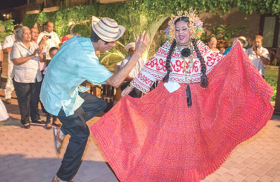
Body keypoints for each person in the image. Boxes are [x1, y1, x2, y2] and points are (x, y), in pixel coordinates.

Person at [90, 10, 273, 182]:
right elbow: (151, 70)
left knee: (191, 144)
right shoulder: (166, 50)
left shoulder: (202, 50)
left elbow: (222, 66)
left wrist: (235, 52)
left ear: (193, 30)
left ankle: (186, 175)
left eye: (184, 29)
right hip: (169, 102)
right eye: (177, 29)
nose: (180, 32)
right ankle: (165, 172)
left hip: (195, 105)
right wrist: (130, 88)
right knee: (167, 141)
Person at [39, 16, 149, 182]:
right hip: (58, 99)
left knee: (99, 103)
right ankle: (61, 178)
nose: (114, 45)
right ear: (102, 42)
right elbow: (115, 81)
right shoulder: (86, 59)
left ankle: (63, 130)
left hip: (61, 89)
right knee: (81, 136)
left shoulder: (76, 40)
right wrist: (137, 54)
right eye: (112, 42)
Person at [10, 26, 46, 129]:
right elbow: (16, 61)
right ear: (21, 35)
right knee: (24, 100)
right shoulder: (16, 46)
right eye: (26, 33)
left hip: (35, 77)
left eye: (29, 33)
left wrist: (39, 53)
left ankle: (35, 117)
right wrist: (32, 55)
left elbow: (42, 60)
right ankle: (25, 120)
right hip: (22, 78)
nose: (28, 35)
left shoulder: (35, 45)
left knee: (35, 98)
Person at [2, 25, 22, 104]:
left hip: (21, 61)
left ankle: (18, 95)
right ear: (14, 31)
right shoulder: (9, 38)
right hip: (12, 61)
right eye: (18, 31)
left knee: (20, 79)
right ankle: (8, 96)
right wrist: (15, 46)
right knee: (10, 78)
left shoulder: (22, 38)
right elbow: (6, 49)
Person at [43, 47, 61, 129]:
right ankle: (48, 120)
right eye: (53, 55)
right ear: (50, 56)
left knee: (57, 104)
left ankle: (55, 119)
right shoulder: (49, 65)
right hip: (51, 88)